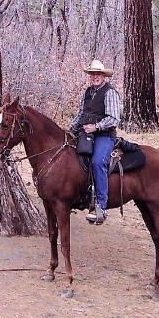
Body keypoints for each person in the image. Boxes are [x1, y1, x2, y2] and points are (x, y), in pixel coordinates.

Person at [69, 59, 121, 225]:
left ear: (103, 76)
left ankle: (101, 206)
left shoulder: (110, 92)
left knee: (98, 162)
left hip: (104, 135)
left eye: (98, 74)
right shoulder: (87, 92)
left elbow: (114, 119)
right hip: (86, 133)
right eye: (92, 74)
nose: (95, 77)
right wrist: (71, 129)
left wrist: (96, 127)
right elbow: (80, 114)